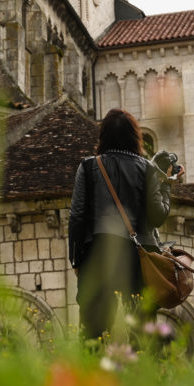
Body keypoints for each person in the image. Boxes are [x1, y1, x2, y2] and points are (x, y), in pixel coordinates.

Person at [68, 108, 173, 340]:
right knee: (142, 332)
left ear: (103, 136)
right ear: (135, 137)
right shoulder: (147, 169)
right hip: (139, 257)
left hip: (99, 254)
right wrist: (166, 185)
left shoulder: (88, 167)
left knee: (92, 333)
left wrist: (76, 259)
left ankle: (92, 374)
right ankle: (146, 374)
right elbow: (157, 216)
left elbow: (76, 217)